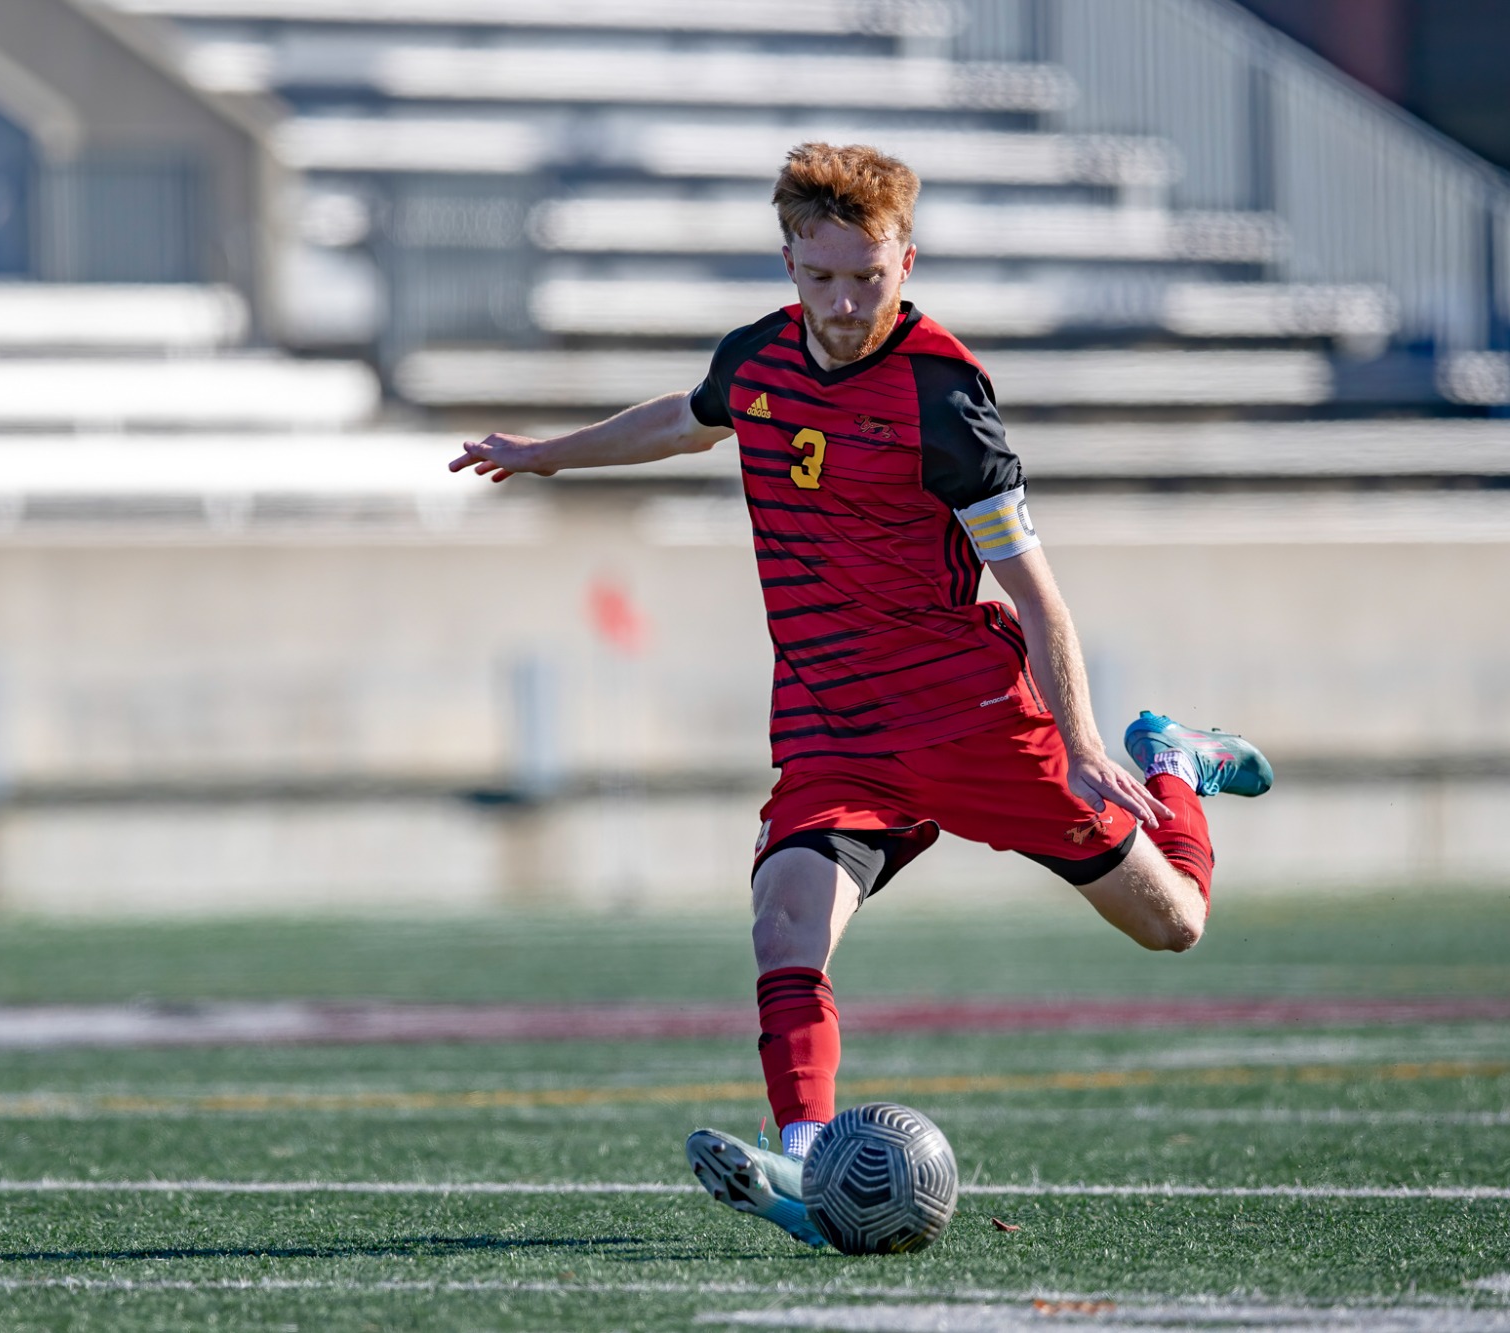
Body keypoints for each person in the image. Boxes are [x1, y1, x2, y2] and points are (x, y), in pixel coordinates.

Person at [447, 142, 1272, 1248]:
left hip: (975, 722)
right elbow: (686, 418)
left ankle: (1173, 763)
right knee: (784, 919)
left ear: (904, 262)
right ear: (789, 260)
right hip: (834, 729)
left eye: (867, 278)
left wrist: (1083, 744)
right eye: (824, 276)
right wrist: (548, 454)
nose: (844, 303)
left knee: (1174, 925)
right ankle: (800, 1158)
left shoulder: (944, 397)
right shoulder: (757, 357)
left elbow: (1037, 595)